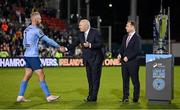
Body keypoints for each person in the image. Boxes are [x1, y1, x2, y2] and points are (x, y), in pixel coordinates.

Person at [16, 12, 64, 102]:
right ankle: (48, 96)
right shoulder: (37, 30)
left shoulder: (26, 29)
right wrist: (58, 46)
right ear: (35, 19)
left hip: (26, 55)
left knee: (27, 75)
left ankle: (20, 96)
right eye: (40, 19)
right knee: (41, 74)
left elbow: (23, 43)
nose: (41, 20)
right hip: (33, 56)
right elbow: (47, 40)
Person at [61, 19, 104, 102]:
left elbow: (101, 44)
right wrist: (66, 48)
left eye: (80, 25)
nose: (79, 26)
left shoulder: (95, 32)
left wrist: (90, 45)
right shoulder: (81, 34)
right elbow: (75, 43)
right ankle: (90, 95)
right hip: (87, 59)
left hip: (96, 59)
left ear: (86, 25)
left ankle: (93, 97)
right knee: (89, 78)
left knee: (95, 78)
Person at [117, 20, 142, 103]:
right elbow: (122, 48)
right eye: (126, 26)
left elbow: (137, 50)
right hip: (124, 63)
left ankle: (135, 98)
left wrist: (128, 57)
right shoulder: (125, 37)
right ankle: (125, 97)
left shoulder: (137, 38)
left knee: (135, 81)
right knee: (125, 81)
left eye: (127, 26)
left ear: (132, 27)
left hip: (133, 63)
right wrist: (120, 54)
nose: (126, 27)